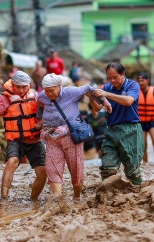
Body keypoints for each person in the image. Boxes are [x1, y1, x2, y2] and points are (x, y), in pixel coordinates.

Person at [36, 73, 111, 201]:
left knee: (75, 169)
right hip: (52, 138)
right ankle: (57, 198)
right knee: (52, 167)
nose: (49, 93)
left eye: (52, 90)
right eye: (46, 91)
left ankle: (76, 197)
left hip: (71, 137)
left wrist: (105, 101)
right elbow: (40, 109)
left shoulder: (70, 92)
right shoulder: (42, 97)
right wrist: (40, 122)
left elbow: (89, 88)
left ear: (59, 86)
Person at [0, 70, 47, 201]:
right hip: (16, 140)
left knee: (43, 171)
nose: (22, 90)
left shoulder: (35, 95)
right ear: (12, 84)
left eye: (24, 86)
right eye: (18, 87)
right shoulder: (5, 98)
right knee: (12, 162)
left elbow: (48, 110)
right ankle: (4, 198)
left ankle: (33, 199)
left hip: (34, 140)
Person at [93, 62, 144, 185]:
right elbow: (96, 108)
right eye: (109, 78)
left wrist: (106, 94)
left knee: (132, 170)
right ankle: (107, 195)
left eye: (115, 77)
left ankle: (137, 192)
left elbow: (128, 101)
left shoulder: (133, 85)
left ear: (123, 74)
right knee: (107, 168)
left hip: (131, 129)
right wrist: (91, 96)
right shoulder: (106, 87)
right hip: (112, 129)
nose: (112, 80)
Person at [136, 72, 154, 163]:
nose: (140, 82)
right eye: (139, 81)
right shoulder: (136, 92)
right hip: (141, 122)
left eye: (142, 80)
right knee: (143, 144)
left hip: (152, 121)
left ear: (147, 80)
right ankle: (145, 163)